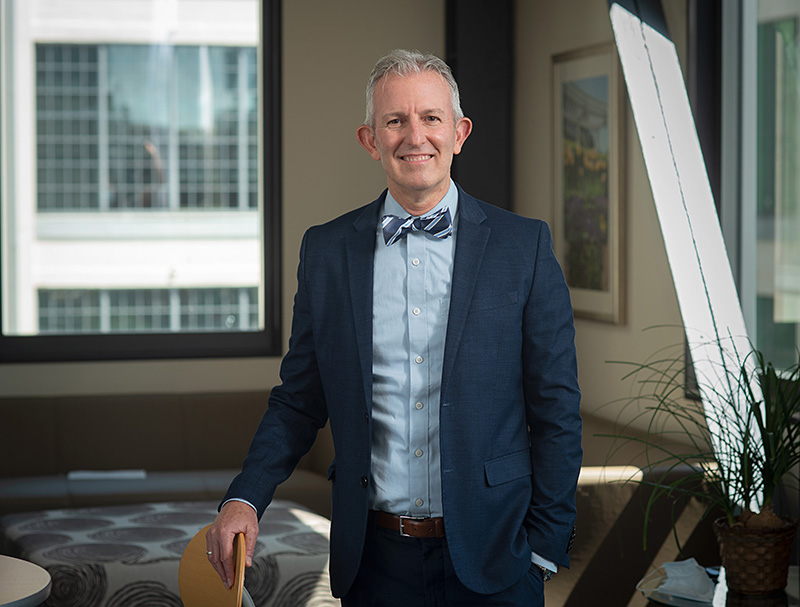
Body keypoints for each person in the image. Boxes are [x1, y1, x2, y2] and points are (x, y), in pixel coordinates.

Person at [205, 49, 582, 607]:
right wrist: (244, 499)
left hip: (496, 561)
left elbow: (556, 408)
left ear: (459, 132)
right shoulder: (328, 251)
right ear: (370, 139)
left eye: (431, 118)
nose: (415, 136)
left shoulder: (522, 247)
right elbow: (299, 400)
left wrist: (544, 550)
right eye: (395, 121)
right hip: (374, 564)